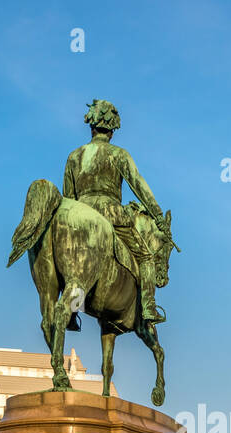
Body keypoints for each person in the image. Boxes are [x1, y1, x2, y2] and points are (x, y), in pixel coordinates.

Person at [62, 99, 167, 325]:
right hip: (110, 213)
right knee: (146, 257)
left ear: (91, 127)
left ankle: (72, 311)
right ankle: (148, 307)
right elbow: (137, 185)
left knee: (71, 263)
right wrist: (157, 215)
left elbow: (68, 198)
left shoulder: (73, 157)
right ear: (112, 130)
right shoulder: (118, 154)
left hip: (77, 214)